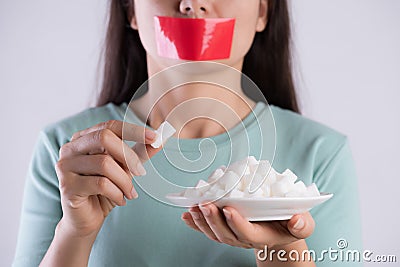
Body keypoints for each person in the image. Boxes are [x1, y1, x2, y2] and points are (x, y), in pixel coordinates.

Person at [13, 0, 362, 266]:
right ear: (131, 11)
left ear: (263, 11)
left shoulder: (322, 153)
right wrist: (75, 233)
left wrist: (285, 251)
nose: (191, 4)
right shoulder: (69, 153)